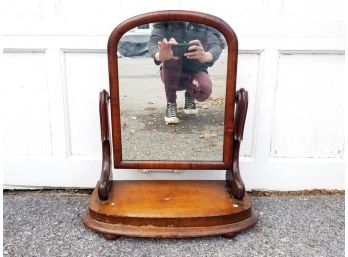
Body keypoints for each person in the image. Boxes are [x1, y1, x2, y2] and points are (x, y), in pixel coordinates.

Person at [148, 22, 225, 124]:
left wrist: (206, 55)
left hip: (196, 70)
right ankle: (171, 103)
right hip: (170, 72)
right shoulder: (165, 20)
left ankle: (190, 95)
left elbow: (216, 44)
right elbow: (153, 41)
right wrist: (159, 55)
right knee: (172, 56)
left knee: (204, 89)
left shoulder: (204, 20)